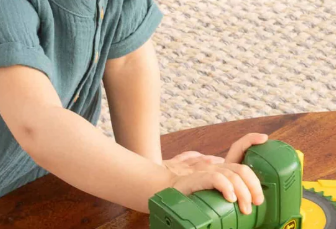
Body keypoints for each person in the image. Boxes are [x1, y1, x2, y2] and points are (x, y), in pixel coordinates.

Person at [0, 0, 264, 214]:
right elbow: (36, 124)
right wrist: (165, 184)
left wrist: (149, 170)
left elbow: (127, 61)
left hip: (54, 174)